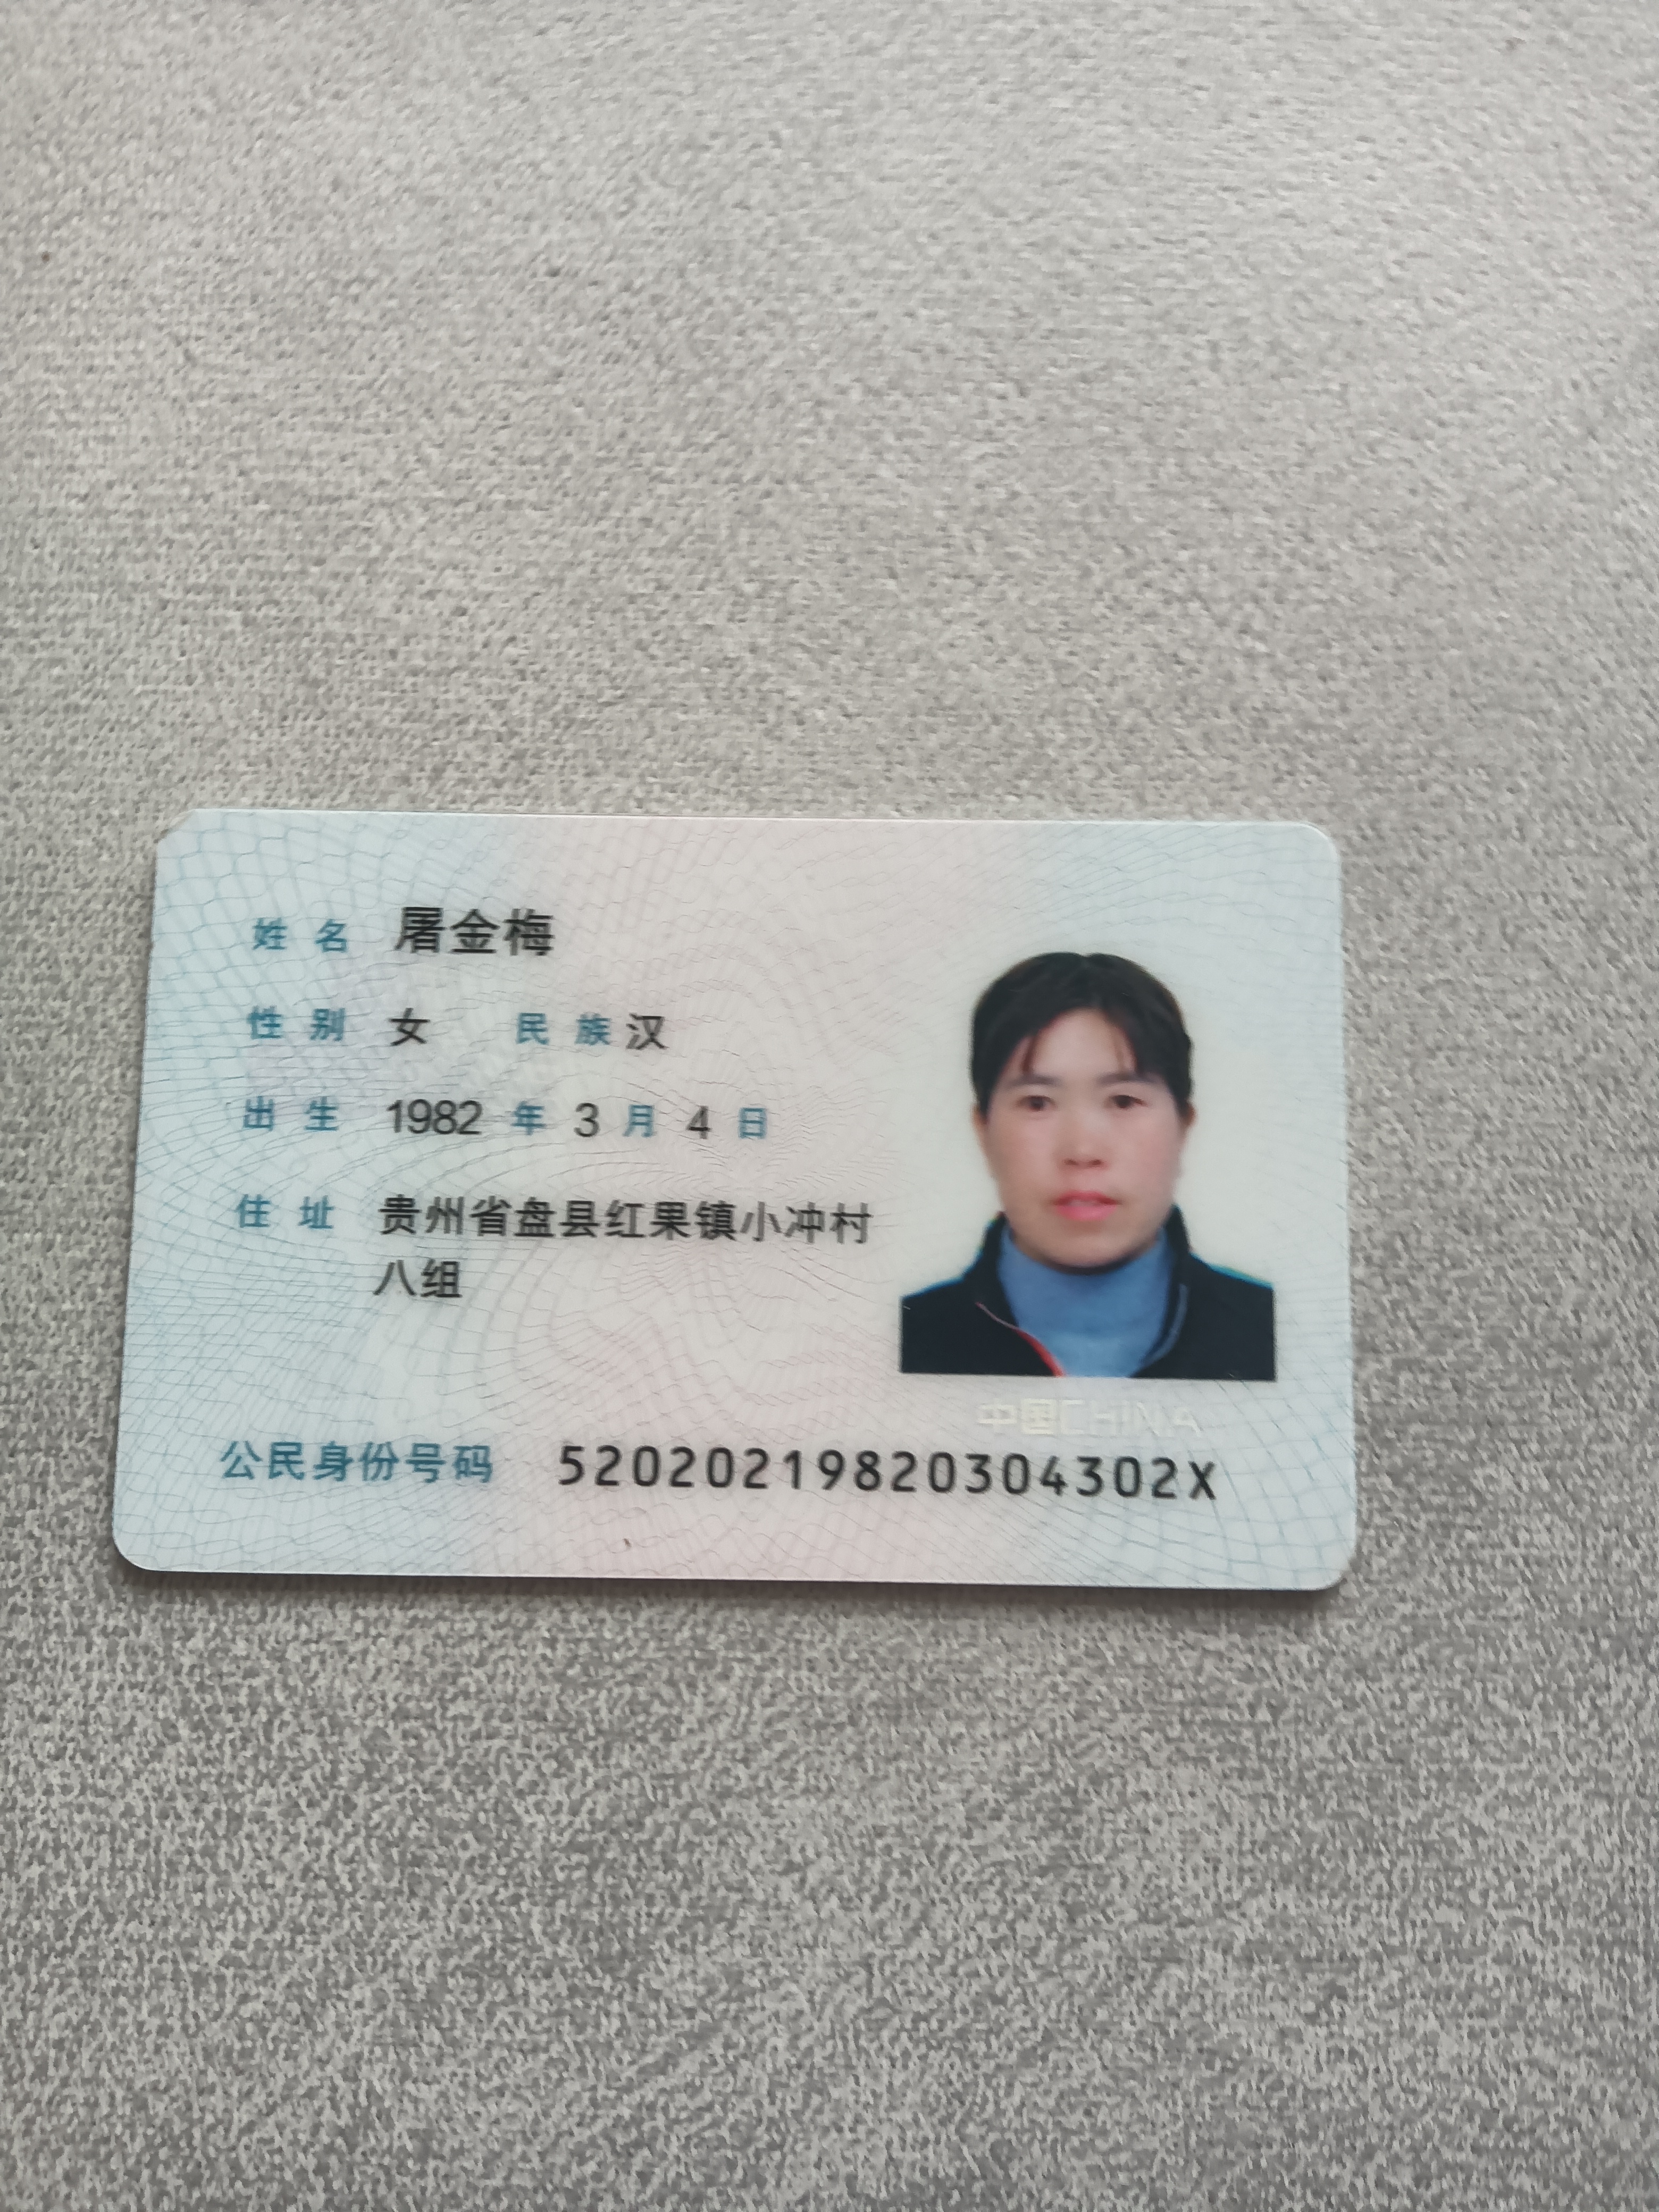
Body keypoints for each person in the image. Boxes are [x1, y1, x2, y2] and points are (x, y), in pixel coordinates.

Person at [900, 952, 1273, 1379]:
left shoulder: (1271, 1335)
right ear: (983, 1131)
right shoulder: (904, 1342)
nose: (1082, 1151)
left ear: (1183, 1127)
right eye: (1038, 1103)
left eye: (1124, 1101)